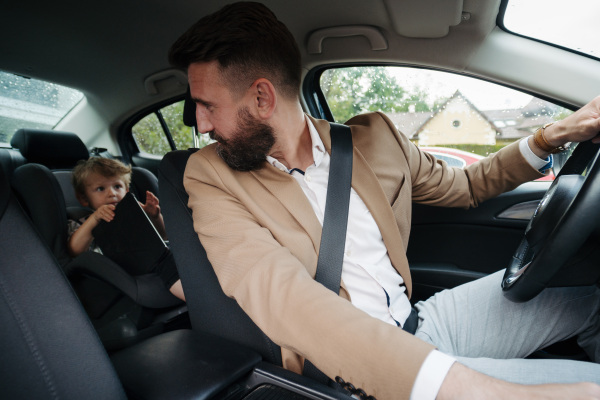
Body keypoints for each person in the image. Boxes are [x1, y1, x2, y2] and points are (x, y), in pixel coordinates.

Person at [168, 2, 600, 399]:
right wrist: (486, 392)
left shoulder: (374, 140)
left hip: (421, 321)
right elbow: (284, 297)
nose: (201, 124)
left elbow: (467, 185)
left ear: (262, 97)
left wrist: (552, 136)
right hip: (354, 374)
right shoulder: (212, 175)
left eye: (207, 105)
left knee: (584, 289)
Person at [69, 157, 185, 301]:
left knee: (177, 251)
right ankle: (195, 297)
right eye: (100, 189)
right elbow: (74, 250)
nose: (112, 193)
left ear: (127, 190)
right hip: (113, 275)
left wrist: (154, 216)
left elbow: (163, 237)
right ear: (84, 199)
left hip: (143, 263)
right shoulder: (82, 221)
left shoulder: (132, 213)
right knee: (165, 262)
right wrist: (95, 218)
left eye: (117, 186)